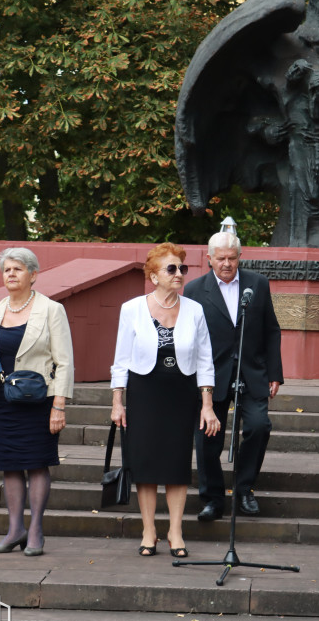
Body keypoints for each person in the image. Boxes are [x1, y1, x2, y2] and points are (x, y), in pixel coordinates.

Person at [110, 243, 221, 557]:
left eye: (182, 268)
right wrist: (118, 402)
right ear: (153, 276)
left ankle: (175, 529)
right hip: (144, 391)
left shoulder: (194, 309)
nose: (179, 274)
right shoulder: (131, 309)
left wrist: (207, 404)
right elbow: (120, 360)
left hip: (181, 392)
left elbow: (205, 360)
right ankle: (148, 530)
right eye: (171, 269)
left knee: (176, 463)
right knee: (144, 463)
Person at [0, 248, 74, 557]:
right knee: (9, 465)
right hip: (0, 402)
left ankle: (35, 530)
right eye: (7, 270)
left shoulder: (51, 310)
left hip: (38, 401)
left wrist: (59, 405)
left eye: (18, 269)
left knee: (37, 462)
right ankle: (15, 528)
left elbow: (64, 362)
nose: (11, 274)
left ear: (33, 274)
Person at [183, 231, 283, 520]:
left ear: (241, 256)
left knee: (258, 426)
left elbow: (271, 329)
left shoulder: (258, 284)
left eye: (232, 257)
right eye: (221, 258)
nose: (227, 263)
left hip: (252, 372)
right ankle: (213, 499)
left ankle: (244, 490)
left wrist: (274, 372)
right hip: (209, 376)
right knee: (207, 438)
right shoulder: (193, 290)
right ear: (209, 259)